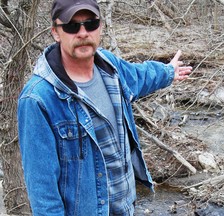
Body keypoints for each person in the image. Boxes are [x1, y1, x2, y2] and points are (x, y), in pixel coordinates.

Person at [17, 0, 192, 215]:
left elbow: (139, 76)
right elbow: (43, 193)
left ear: (100, 27)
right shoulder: (38, 99)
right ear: (55, 32)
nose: (83, 33)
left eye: (90, 24)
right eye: (72, 26)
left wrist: (168, 72)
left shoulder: (109, 67)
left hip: (125, 207)